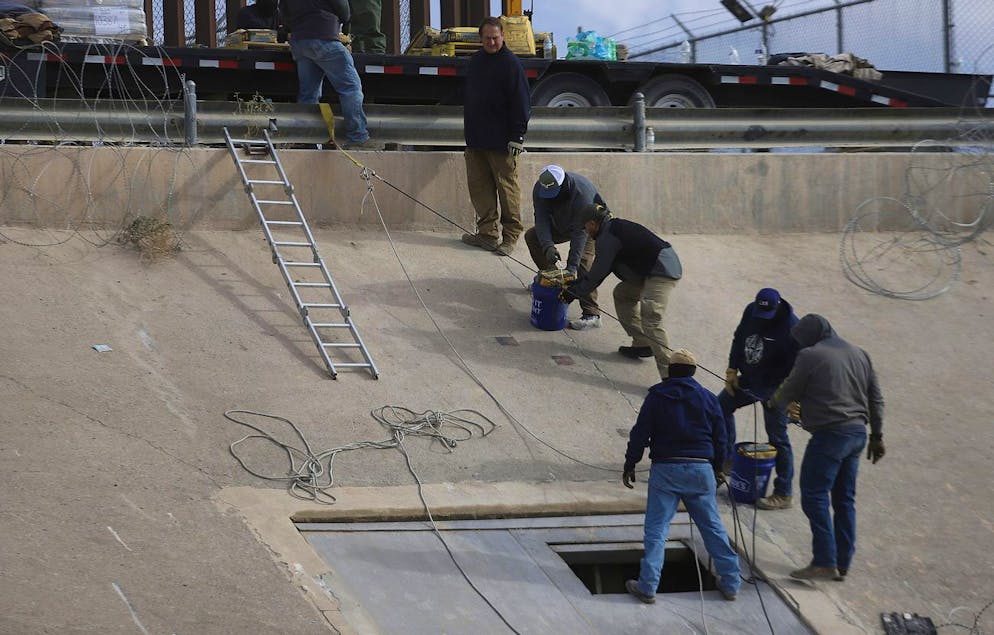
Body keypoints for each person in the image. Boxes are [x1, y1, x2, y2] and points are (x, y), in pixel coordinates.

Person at [769, 313, 885, 581]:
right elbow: (876, 399)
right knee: (845, 500)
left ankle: (824, 561)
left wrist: (774, 402)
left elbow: (789, 389)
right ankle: (842, 564)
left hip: (830, 437)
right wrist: (877, 435)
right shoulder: (860, 354)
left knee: (813, 495)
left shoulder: (810, 355)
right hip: (858, 435)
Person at [622, 349, 741, 604]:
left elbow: (640, 433)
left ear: (670, 371)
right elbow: (722, 438)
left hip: (666, 470)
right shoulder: (709, 399)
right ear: (693, 373)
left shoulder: (657, 397)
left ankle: (648, 586)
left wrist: (630, 463)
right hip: (701, 471)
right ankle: (731, 582)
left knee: (656, 529)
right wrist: (718, 468)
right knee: (712, 528)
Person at [562, 204, 682, 381]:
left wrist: (572, 293)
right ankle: (642, 343)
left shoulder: (607, 237)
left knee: (651, 317)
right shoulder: (610, 229)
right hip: (648, 270)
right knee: (623, 294)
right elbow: (598, 272)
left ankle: (671, 379)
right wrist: (576, 286)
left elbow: (597, 274)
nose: (585, 231)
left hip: (661, 270)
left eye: (585, 227)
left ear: (593, 223)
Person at [720, 287, 799, 510]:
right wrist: (732, 369)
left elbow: (800, 366)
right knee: (721, 405)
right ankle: (729, 459)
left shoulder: (792, 327)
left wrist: (792, 396)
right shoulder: (751, 311)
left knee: (777, 437)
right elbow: (739, 338)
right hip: (750, 378)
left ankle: (784, 493)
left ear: (777, 308)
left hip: (777, 387)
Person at [460, 16, 531, 256]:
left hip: (502, 142)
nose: (491, 42)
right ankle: (488, 235)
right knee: (480, 190)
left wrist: (517, 137)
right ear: (481, 39)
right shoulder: (476, 62)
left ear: (503, 37)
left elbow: (521, 102)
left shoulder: (511, 64)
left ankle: (510, 238)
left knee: (507, 190)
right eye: (487, 38)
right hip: (476, 140)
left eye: (495, 37)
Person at [282, 0, 377, 149]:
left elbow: (284, 13)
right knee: (351, 89)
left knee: (309, 94)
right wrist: (344, 21)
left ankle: (307, 139)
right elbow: (343, 9)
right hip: (325, 38)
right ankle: (358, 136)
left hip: (300, 43)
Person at [525, 164, 606, 330]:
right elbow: (541, 220)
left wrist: (571, 268)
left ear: (564, 185)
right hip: (562, 222)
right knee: (532, 237)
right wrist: (548, 247)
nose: (550, 197)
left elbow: (580, 233)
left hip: (590, 226)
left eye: (554, 194)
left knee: (583, 262)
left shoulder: (581, 193)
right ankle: (552, 282)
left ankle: (592, 313)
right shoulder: (540, 189)